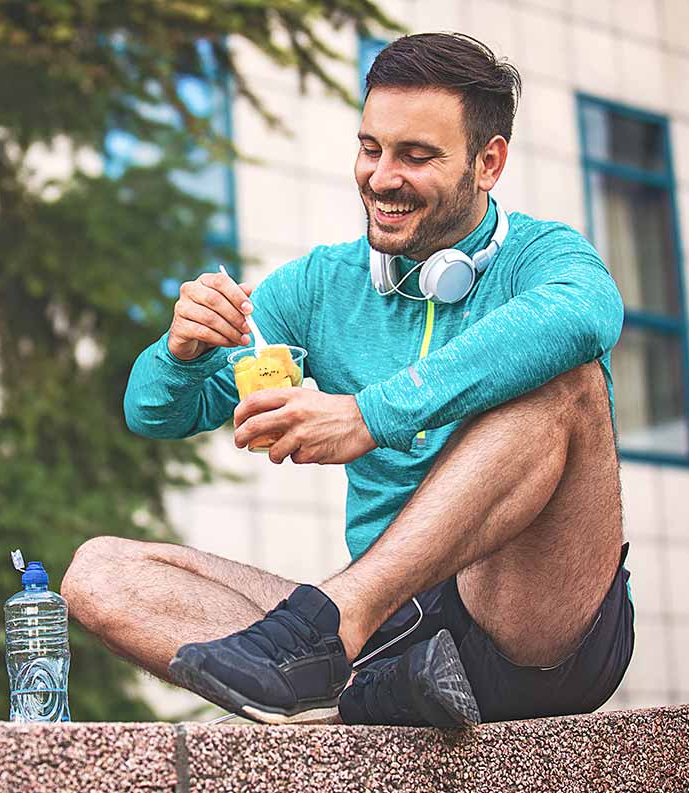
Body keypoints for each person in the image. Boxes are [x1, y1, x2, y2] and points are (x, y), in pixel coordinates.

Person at [62, 32, 633, 727]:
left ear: (488, 163)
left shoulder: (541, 255)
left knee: (564, 381)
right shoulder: (318, 286)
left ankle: (334, 635)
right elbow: (155, 413)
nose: (381, 176)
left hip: (531, 621)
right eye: (371, 148)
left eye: (417, 156)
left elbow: (587, 315)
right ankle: (361, 694)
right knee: (97, 572)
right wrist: (180, 352)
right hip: (393, 641)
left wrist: (368, 416)